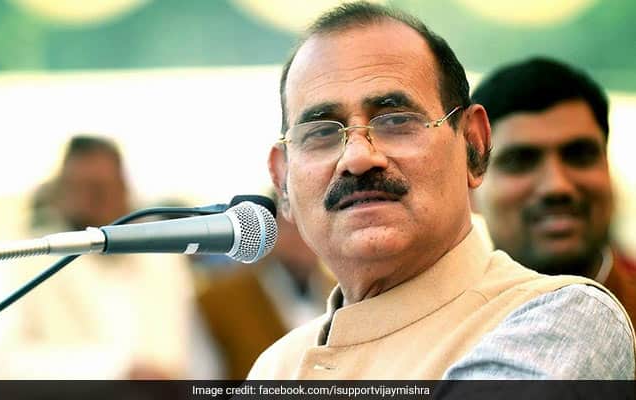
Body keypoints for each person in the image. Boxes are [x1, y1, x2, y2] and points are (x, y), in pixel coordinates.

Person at [247, 2, 635, 379]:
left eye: (395, 120)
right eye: (321, 132)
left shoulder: (560, 320)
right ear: (283, 181)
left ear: (474, 147)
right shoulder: (274, 366)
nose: (358, 158)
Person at [0, 135, 223, 379]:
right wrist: (116, 370)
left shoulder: (162, 259)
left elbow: (198, 357)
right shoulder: (26, 257)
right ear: (61, 192)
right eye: (87, 188)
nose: (99, 199)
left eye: (107, 187)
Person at [470, 57, 636, 326]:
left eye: (579, 155)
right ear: (470, 189)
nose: (557, 186)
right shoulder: (441, 338)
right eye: (520, 160)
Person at [195, 192, 334, 379]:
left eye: (312, 224)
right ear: (270, 229)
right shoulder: (217, 299)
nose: (303, 237)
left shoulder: (344, 294)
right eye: (292, 226)